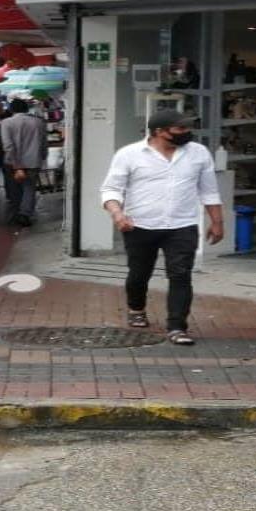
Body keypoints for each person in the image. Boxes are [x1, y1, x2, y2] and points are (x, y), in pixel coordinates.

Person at [99, 110, 224, 346]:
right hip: (139, 225)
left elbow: (209, 191)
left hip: (182, 225)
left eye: (187, 128)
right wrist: (117, 214)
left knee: (180, 275)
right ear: (159, 131)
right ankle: (136, 308)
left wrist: (217, 222)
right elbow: (111, 189)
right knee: (139, 274)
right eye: (179, 129)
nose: (186, 133)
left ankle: (177, 327)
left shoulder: (198, 154)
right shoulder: (129, 154)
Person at [0, 99, 47, 227]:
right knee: (29, 188)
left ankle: (16, 213)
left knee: (14, 189)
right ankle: (25, 214)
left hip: (12, 162)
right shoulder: (39, 122)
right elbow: (44, 143)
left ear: (11, 109)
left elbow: (8, 146)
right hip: (33, 161)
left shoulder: (6, 123)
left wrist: (16, 165)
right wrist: (43, 157)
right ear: (26, 109)